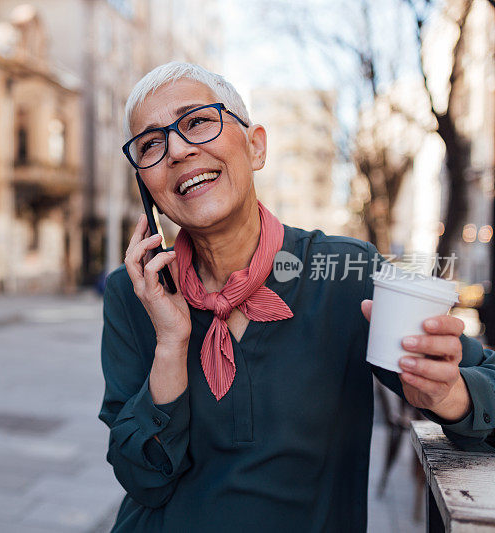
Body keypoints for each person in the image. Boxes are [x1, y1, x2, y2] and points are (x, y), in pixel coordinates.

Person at [98, 62, 495, 532]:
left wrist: (449, 393)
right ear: (148, 187)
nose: (178, 150)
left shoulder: (348, 273)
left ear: (255, 145)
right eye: (150, 145)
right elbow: (141, 479)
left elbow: (485, 377)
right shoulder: (134, 292)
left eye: (197, 121)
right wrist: (171, 343)